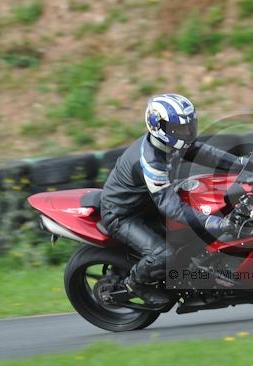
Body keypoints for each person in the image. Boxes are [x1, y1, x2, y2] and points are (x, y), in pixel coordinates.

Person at [100, 94, 243, 305]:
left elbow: (204, 152)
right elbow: (169, 206)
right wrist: (213, 222)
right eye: (180, 128)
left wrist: (240, 163)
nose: (187, 132)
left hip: (147, 203)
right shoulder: (151, 162)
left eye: (189, 125)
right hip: (123, 214)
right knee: (164, 254)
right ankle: (136, 284)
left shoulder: (172, 143)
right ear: (159, 127)